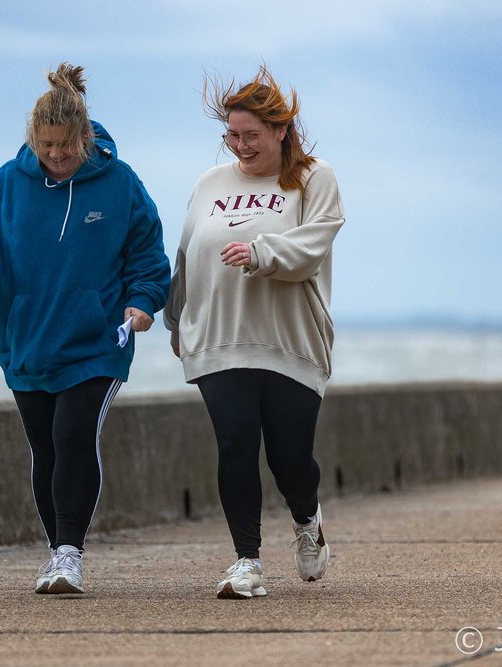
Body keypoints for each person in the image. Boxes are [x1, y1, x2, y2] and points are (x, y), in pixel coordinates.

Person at [0, 63, 170, 595]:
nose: (56, 154)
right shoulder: (6, 184)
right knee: (45, 449)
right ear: (33, 139)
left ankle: (70, 553)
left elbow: (147, 256)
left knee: (74, 436)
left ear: (84, 136)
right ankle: (56, 553)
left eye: (65, 145)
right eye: (46, 145)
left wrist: (142, 303)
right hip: (27, 341)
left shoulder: (119, 183)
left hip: (98, 342)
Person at [164, 66, 345, 599]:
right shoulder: (210, 184)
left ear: (281, 130)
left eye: (251, 136)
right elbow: (188, 254)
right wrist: (177, 317)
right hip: (218, 337)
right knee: (235, 443)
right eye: (232, 136)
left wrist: (261, 252)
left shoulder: (314, 177)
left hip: (290, 340)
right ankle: (247, 562)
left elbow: (313, 247)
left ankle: (307, 521)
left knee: (289, 457)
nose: (240, 146)